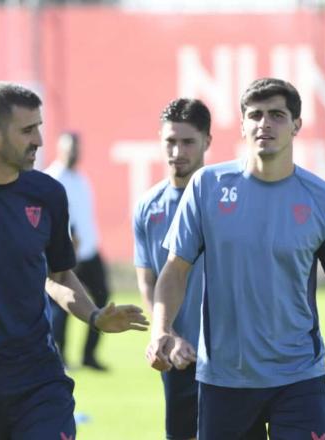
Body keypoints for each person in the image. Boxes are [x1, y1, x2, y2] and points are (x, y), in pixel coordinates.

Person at [146, 78, 325, 439]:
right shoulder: (207, 186)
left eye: (277, 115)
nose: (264, 124)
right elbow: (175, 271)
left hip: (299, 377)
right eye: (255, 115)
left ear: (296, 125)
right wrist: (161, 328)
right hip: (224, 379)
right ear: (241, 124)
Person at [0, 82, 148, 439]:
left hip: (35, 375)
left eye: (39, 127)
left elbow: (59, 275)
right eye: (28, 130)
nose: (40, 141)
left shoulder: (48, 193)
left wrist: (93, 315)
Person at [133, 98, 210, 440]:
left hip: (232, 354)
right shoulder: (148, 207)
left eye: (188, 141)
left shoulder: (224, 198)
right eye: (170, 141)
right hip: (181, 355)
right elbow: (148, 282)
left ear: (207, 141)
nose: (177, 151)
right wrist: (169, 336)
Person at [44, 132, 111, 370]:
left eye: (76, 148)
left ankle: (89, 355)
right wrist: (69, 242)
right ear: (60, 149)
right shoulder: (52, 178)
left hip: (90, 251)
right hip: (66, 251)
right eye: (70, 148)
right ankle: (59, 355)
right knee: (62, 304)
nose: (74, 152)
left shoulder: (81, 179)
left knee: (102, 298)